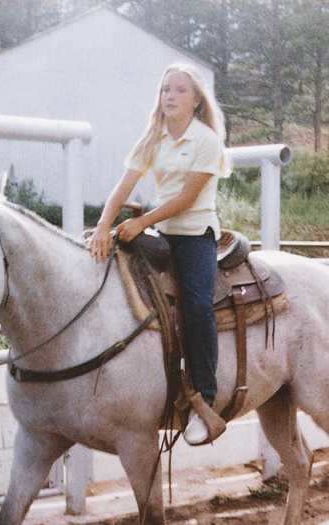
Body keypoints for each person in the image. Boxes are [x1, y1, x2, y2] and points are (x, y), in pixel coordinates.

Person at [88, 63, 227, 445]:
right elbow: (121, 189)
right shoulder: (153, 138)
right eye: (166, 88)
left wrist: (142, 221)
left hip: (196, 234)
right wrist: (103, 227)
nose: (170, 95)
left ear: (196, 100)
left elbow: (187, 198)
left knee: (198, 306)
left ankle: (204, 398)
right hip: (164, 233)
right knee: (113, 273)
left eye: (180, 90)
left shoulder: (206, 141)